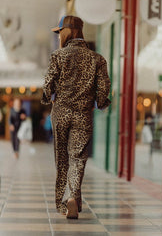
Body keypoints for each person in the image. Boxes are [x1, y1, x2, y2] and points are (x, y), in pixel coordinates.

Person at [41, 15, 111, 219]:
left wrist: (48, 98)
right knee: (78, 159)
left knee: (62, 159)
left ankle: (63, 204)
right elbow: (104, 87)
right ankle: (73, 197)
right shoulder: (97, 59)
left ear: (66, 32)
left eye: (59, 32)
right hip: (83, 115)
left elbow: (48, 84)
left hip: (61, 112)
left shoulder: (58, 56)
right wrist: (100, 102)